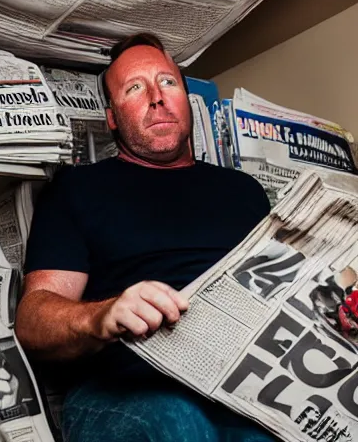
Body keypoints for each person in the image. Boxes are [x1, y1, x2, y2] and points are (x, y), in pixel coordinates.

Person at [15, 32, 276, 442]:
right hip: (129, 391)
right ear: (112, 118)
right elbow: (33, 317)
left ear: (185, 99)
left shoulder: (244, 191)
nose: (156, 97)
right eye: (135, 88)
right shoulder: (78, 188)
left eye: (167, 82)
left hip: (243, 386)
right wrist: (101, 316)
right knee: (176, 418)